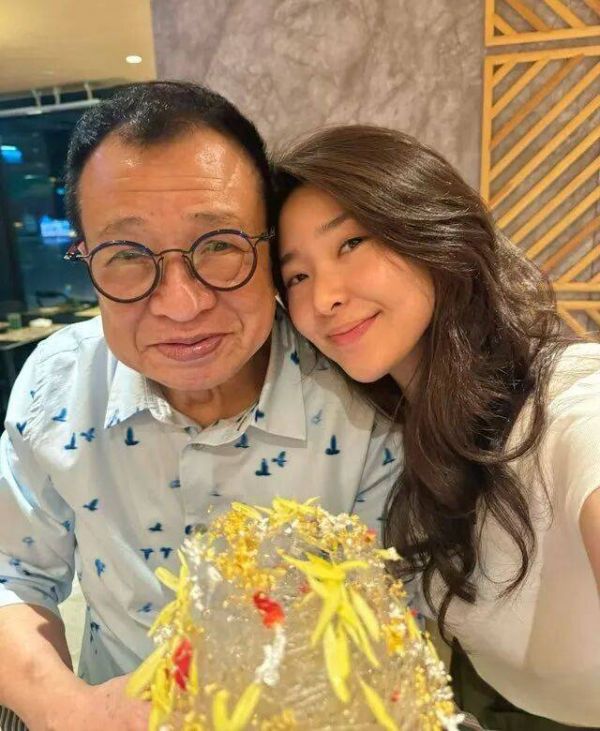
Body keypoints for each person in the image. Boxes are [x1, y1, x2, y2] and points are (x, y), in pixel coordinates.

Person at [0, 88, 400, 731]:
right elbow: (12, 575)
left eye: (219, 244)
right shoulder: (58, 382)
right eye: (127, 256)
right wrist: (71, 710)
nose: (181, 305)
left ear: (271, 246)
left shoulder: (361, 393)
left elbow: (398, 617)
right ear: (85, 257)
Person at [274, 125, 600, 730]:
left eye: (351, 243)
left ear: (430, 230)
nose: (323, 298)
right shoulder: (394, 432)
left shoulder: (570, 402)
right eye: (296, 276)